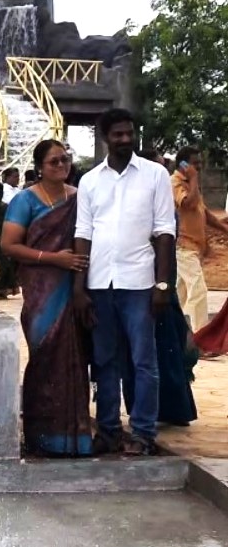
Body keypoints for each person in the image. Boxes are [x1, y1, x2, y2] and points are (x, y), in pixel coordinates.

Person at [73, 108, 176, 456]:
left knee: (144, 361)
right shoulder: (90, 181)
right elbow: (83, 233)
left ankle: (143, 433)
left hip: (139, 283)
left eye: (129, 133)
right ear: (105, 138)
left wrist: (162, 285)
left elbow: (165, 232)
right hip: (100, 283)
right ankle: (108, 431)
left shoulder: (155, 175)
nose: (125, 139)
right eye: (117, 134)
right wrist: (79, 288)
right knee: (104, 361)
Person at [1, 139, 92, 456]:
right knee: (45, 355)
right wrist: (54, 258)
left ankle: (74, 438)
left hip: (75, 287)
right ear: (40, 167)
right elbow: (9, 245)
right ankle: (42, 436)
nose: (61, 165)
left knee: (74, 358)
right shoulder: (25, 200)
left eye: (65, 159)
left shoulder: (79, 198)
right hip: (41, 289)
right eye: (54, 161)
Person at [123, 148, 198, 426]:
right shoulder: (136, 202)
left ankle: (172, 410)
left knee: (166, 349)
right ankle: (147, 412)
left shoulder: (163, 203)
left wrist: (164, 285)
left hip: (161, 286)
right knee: (143, 354)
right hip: (138, 284)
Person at [172, 146, 228, 332]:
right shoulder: (175, 182)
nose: (200, 167)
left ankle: (176, 332)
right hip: (183, 246)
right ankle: (201, 335)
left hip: (195, 247)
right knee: (198, 290)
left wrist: (224, 229)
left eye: (200, 163)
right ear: (183, 164)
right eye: (196, 163)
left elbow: (203, 212)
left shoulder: (191, 184)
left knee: (179, 293)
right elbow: (188, 203)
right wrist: (194, 178)